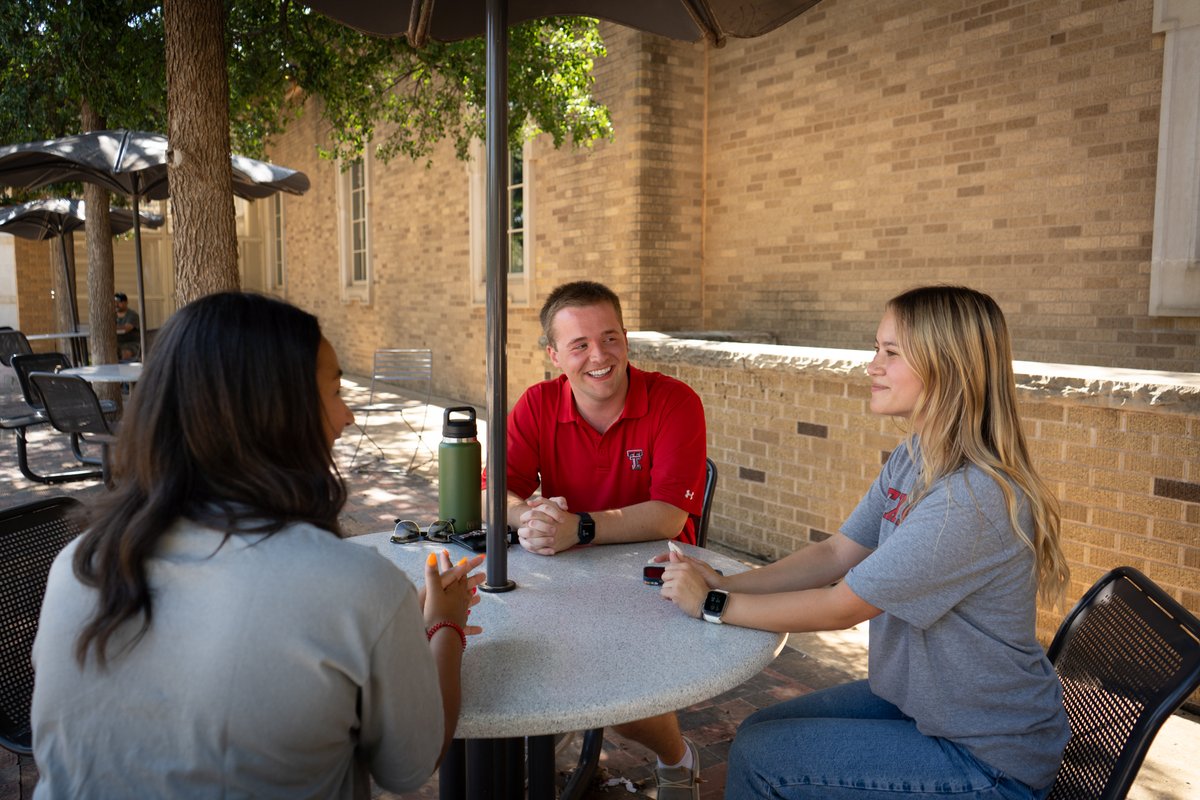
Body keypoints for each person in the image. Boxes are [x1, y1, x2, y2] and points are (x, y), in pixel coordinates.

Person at [31, 292, 485, 799]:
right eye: (335, 392)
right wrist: (444, 622)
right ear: (277, 413)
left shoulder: (79, 563)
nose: (348, 416)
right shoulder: (355, 587)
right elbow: (410, 767)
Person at [659, 285, 1071, 799]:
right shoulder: (916, 456)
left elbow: (840, 607)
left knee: (763, 760)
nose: (871, 365)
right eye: (876, 348)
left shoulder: (970, 498)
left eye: (890, 352)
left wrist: (713, 604)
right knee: (759, 730)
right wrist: (727, 581)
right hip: (920, 705)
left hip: (986, 759)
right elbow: (835, 553)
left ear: (949, 367)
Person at [501, 280, 708, 799]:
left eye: (610, 338)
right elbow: (497, 493)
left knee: (621, 702)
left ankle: (678, 760)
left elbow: (668, 514)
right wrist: (531, 518)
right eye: (580, 345)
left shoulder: (674, 401)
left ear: (626, 340)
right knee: (511, 664)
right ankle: (563, 752)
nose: (600, 356)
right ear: (554, 355)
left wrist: (581, 527)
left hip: (656, 574)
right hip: (566, 570)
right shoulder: (537, 403)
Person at [114, 291, 140, 360]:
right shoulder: (112, 315)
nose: (116, 304)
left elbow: (126, 329)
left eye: (119, 302)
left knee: (125, 354)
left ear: (126, 302)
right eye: (114, 302)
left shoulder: (132, 315)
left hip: (131, 344)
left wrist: (110, 329)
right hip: (116, 344)